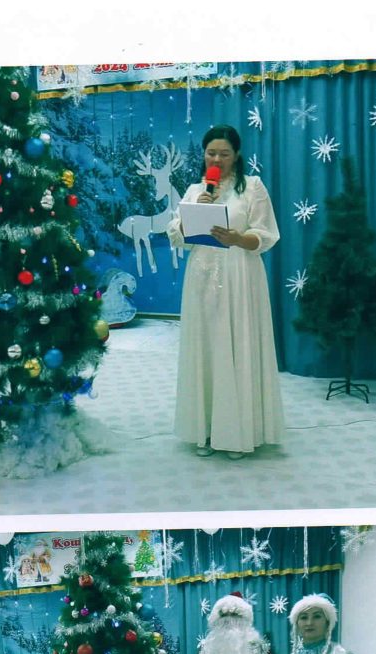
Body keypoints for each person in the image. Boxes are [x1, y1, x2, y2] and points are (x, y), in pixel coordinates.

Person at [167, 124, 285, 458]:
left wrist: (238, 238)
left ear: (236, 155)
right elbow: (176, 234)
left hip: (239, 274)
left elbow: (266, 234)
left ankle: (238, 433)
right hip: (202, 277)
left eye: (224, 153)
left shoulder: (253, 187)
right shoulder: (195, 189)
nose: (216, 159)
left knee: (237, 344)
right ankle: (205, 429)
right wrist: (193, 215)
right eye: (211, 153)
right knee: (206, 346)